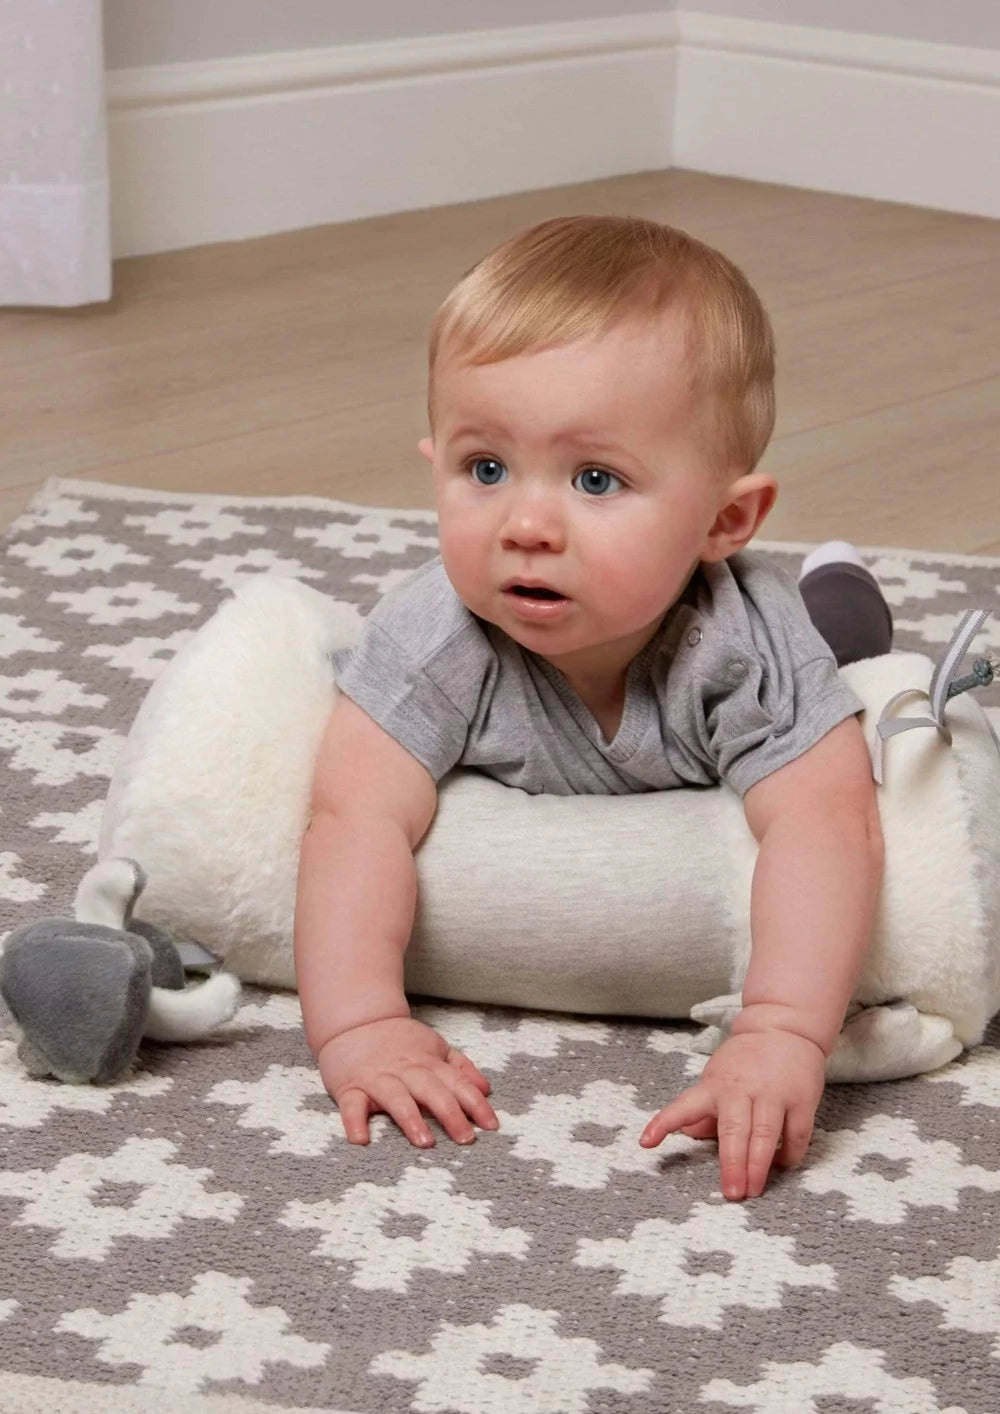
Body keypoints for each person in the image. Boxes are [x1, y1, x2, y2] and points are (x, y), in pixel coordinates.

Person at [294, 215, 891, 1201]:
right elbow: (349, 817)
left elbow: (829, 823)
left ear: (723, 520)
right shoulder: (435, 632)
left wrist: (781, 1032)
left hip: (788, 635)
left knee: (852, 659)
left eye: (595, 479)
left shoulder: (741, 642)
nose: (526, 526)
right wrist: (359, 1023)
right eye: (484, 469)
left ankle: (843, 596)